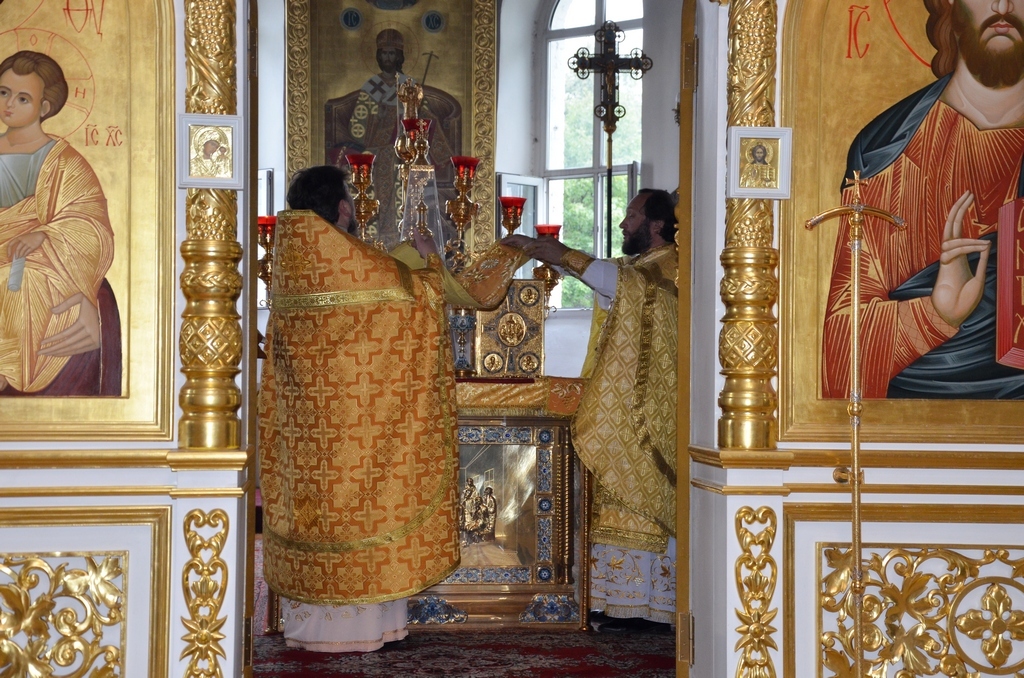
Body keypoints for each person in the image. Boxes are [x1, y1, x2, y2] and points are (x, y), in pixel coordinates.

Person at [258, 164, 459, 652]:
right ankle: (365, 628)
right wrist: (430, 258)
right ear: (344, 209)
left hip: (307, 430)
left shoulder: (289, 259)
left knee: (317, 516)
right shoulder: (354, 262)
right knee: (368, 513)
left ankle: (313, 629)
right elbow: (421, 299)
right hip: (357, 426)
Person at [822, 0, 1024, 399]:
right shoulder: (885, 152)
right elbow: (842, 345)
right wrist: (935, 313)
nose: (1003, 6)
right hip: (911, 419)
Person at [504, 189, 678, 633]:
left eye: (632, 215)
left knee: (640, 496)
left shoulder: (672, 266)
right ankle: (609, 599)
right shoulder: (640, 266)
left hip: (647, 413)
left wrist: (564, 254)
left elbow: (622, 284)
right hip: (621, 409)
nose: (623, 223)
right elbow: (609, 279)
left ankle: (647, 605)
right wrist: (551, 255)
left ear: (657, 224)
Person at [0, 50, 121, 396]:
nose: (9, 104)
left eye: (23, 98)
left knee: (22, 281)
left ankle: (12, 369)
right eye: (3, 92)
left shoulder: (64, 161)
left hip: (43, 263)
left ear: (44, 107)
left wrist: (44, 233)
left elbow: (89, 224)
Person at [324, 28, 461, 249]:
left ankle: (414, 236)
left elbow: (424, 114)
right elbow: (357, 128)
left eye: (392, 53)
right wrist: (380, 117)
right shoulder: (372, 87)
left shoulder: (409, 85)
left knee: (413, 172)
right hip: (380, 150)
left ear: (400, 56)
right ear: (378, 56)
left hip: (409, 150)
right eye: (384, 53)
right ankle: (385, 236)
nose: (388, 58)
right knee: (386, 168)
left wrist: (415, 112)